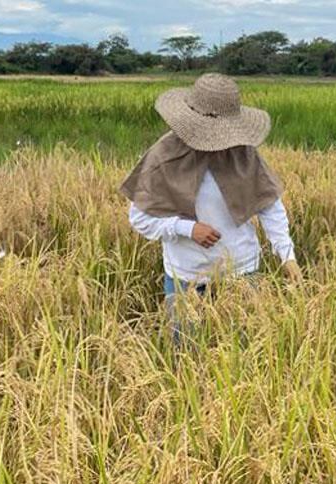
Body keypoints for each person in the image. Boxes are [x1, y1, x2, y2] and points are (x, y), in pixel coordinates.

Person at [120, 73, 301, 342]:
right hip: (186, 275)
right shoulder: (164, 155)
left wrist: (287, 255)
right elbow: (140, 218)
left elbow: (270, 206)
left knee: (244, 352)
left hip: (241, 271)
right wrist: (187, 228)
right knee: (185, 354)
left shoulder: (242, 153)